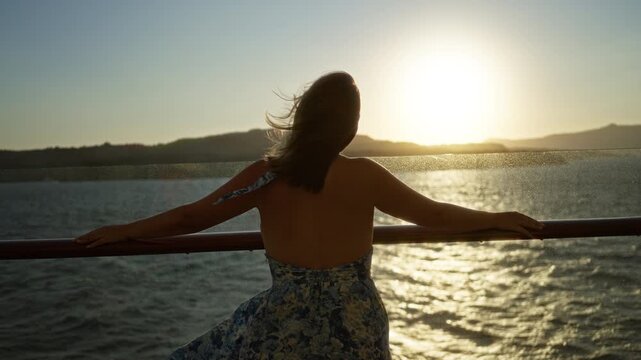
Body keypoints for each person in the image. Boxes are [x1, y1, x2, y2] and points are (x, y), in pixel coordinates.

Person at [74, 71, 544, 359]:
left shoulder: (267, 177)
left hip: (285, 326)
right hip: (356, 324)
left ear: (303, 118)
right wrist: (499, 216)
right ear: (351, 127)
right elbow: (436, 215)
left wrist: (123, 231)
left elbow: (190, 219)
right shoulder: (366, 177)